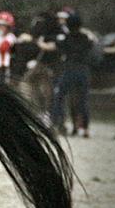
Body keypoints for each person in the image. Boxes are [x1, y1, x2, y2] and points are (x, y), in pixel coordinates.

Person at [37, 9, 94, 137]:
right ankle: (85, 129)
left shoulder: (65, 39)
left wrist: (40, 42)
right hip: (84, 71)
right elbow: (92, 43)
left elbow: (49, 47)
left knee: (58, 96)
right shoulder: (85, 38)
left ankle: (56, 124)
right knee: (83, 100)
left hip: (70, 71)